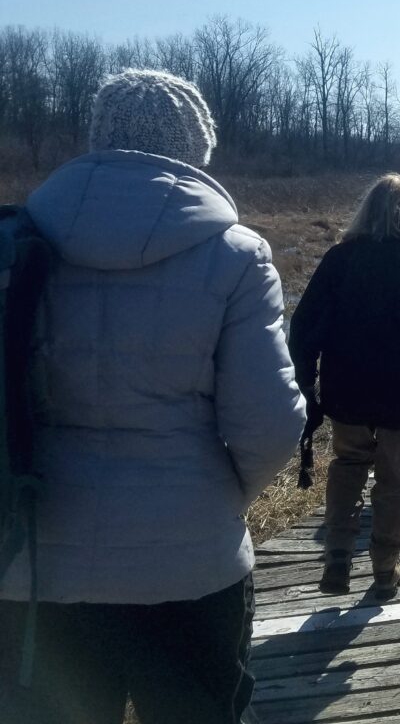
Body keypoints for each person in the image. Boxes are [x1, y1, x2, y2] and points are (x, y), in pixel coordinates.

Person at [0, 70, 305, 724]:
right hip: (191, 565)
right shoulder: (236, 255)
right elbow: (273, 424)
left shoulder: (15, 244)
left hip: (34, 562)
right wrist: (215, 497)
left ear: (96, 137)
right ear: (195, 149)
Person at [289, 174, 400, 598]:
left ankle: (337, 554)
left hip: (346, 387)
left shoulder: (339, 259)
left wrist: (304, 380)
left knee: (347, 465)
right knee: (395, 477)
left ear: (366, 210)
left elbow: (305, 326)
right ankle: (386, 569)